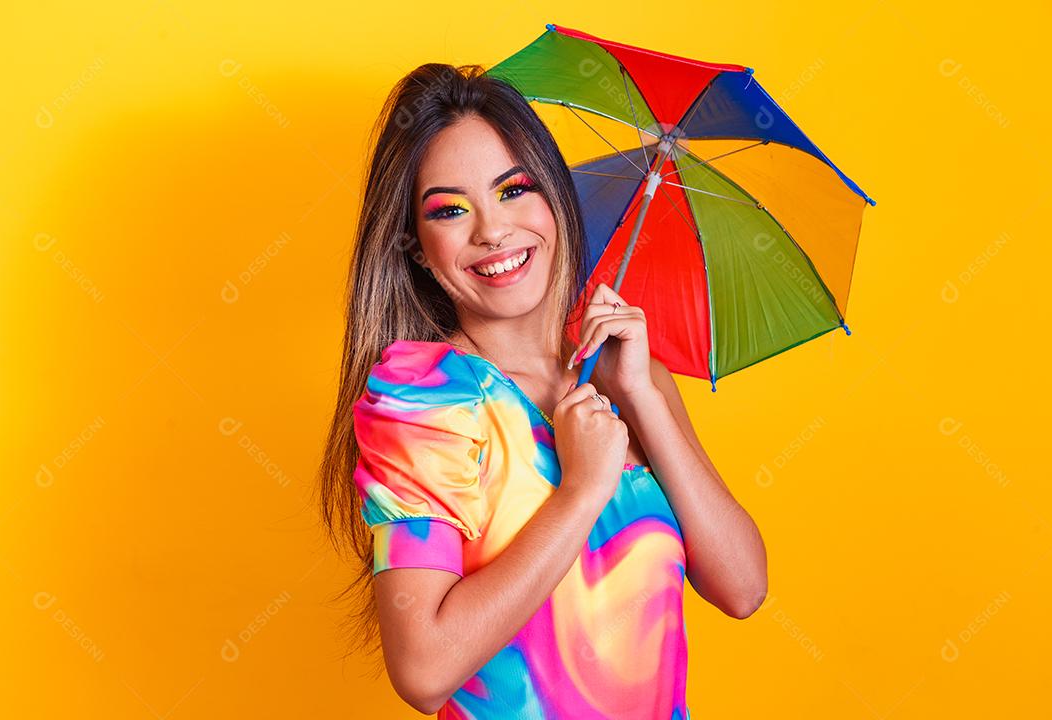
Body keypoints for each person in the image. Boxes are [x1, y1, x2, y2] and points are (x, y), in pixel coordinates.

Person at [318, 62, 767, 719]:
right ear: (417, 246)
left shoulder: (630, 379)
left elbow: (743, 588)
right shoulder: (423, 401)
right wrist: (581, 492)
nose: (492, 231)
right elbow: (423, 670)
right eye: (449, 209)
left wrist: (642, 395)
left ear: (556, 196)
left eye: (513, 189)